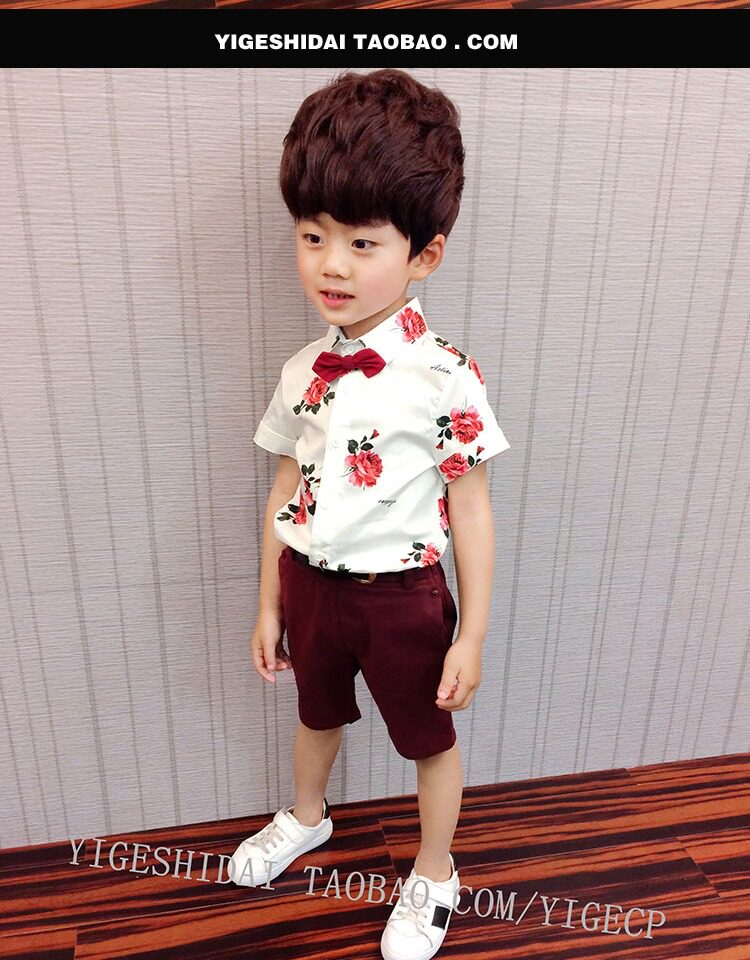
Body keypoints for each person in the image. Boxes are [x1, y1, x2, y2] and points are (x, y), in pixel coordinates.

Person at [230, 68, 511, 960]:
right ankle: (306, 815)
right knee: (316, 713)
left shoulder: (446, 375)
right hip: (310, 584)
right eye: (313, 236)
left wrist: (471, 636)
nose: (331, 264)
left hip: (402, 599)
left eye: (361, 242)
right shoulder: (300, 370)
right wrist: (269, 602)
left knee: (427, 736)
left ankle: (434, 871)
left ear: (424, 253)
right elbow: (284, 485)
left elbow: (471, 509)